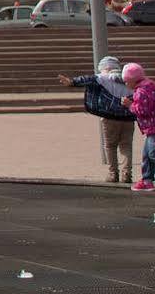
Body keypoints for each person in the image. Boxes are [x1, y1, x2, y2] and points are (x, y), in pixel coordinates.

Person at [57, 56, 137, 184]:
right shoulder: (128, 80)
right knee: (126, 146)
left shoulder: (102, 78)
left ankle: (113, 174)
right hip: (129, 118)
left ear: (105, 67)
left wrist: (71, 82)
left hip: (109, 118)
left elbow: (87, 80)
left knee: (110, 146)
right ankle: (127, 174)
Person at [126, 64, 155, 192]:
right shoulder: (148, 86)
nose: (126, 84)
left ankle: (147, 180)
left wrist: (130, 105)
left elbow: (143, 110)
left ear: (132, 80)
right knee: (147, 155)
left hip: (152, 127)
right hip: (150, 128)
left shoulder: (141, 91)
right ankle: (147, 180)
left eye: (126, 81)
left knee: (152, 154)